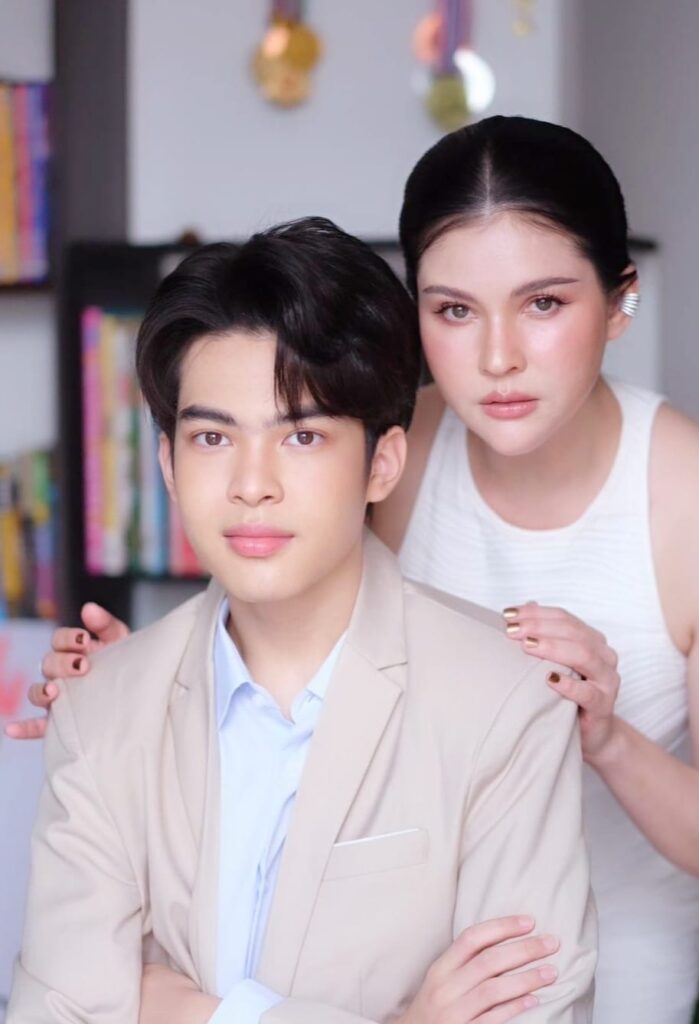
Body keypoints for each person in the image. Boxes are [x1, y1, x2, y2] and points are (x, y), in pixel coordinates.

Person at [21, 115, 699, 1024]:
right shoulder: (397, 439)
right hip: (389, 949)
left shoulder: (679, 501)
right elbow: (271, 576)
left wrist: (606, 738)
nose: (496, 356)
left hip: (592, 956)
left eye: (543, 303)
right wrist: (135, 683)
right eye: (453, 310)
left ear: (619, 300)